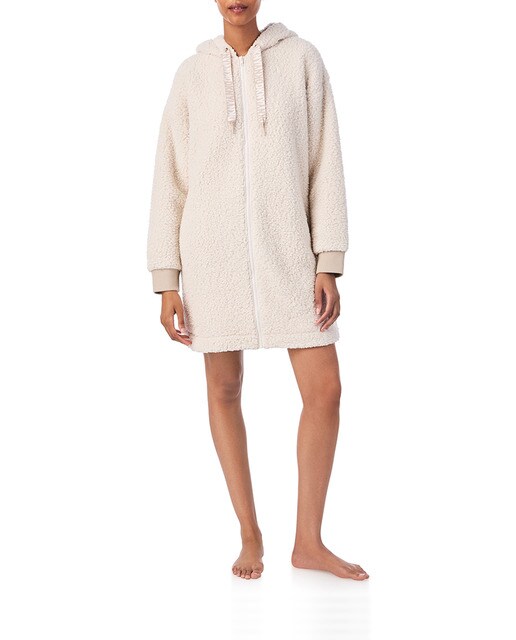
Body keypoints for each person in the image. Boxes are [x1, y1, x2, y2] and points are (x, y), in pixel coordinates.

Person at [147, 0, 369, 581]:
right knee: (224, 387)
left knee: (325, 390)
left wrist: (328, 260)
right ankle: (249, 533)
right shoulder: (192, 75)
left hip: (288, 252)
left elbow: (325, 163)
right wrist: (166, 278)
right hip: (211, 258)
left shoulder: (302, 61)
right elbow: (170, 177)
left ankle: (308, 541)